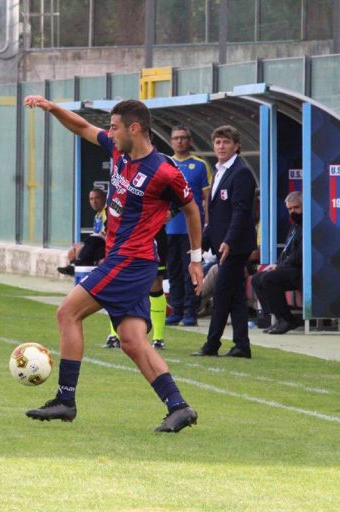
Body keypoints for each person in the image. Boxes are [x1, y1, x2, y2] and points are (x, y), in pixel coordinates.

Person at [23, 95, 204, 433]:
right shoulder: (119, 151)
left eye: (115, 126)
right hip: (125, 258)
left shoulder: (164, 170)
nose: (109, 131)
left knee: (67, 313)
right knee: (132, 340)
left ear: (135, 128)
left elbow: (192, 210)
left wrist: (196, 259)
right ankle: (178, 406)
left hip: (131, 260)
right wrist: (51, 107)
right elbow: (81, 127)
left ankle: (66, 400)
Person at [192, 125, 257, 359]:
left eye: (226, 142)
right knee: (236, 296)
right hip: (221, 243)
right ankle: (242, 345)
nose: (221, 146)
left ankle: (211, 345)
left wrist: (228, 241)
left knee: (221, 294)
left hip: (235, 246)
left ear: (236, 146)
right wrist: (205, 239)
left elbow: (241, 212)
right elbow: (218, 213)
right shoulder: (219, 171)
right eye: (218, 142)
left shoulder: (241, 173)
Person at [165, 125, 211, 327]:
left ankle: (190, 312)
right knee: (172, 270)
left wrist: (207, 222)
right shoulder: (165, 163)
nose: (180, 141)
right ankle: (176, 310)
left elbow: (206, 198)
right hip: (167, 227)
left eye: (183, 138)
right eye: (176, 138)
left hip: (191, 229)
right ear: (171, 141)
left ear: (190, 140)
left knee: (190, 271)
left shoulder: (199, 165)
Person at [251, 191, 303, 335]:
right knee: (257, 278)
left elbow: (300, 255)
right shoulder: (294, 228)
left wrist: (280, 266)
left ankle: (288, 319)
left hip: (303, 271)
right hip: (289, 269)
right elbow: (286, 252)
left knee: (269, 278)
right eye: (290, 209)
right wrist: (276, 264)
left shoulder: (308, 227)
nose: (293, 212)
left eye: (296, 208)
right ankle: (274, 317)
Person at [57, 188, 107, 275]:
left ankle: (74, 266)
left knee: (92, 241)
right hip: (97, 246)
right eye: (91, 199)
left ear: (104, 198)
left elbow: (108, 234)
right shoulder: (97, 216)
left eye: (97, 198)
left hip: (108, 246)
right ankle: (76, 272)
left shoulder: (108, 212)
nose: (94, 201)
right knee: (73, 251)